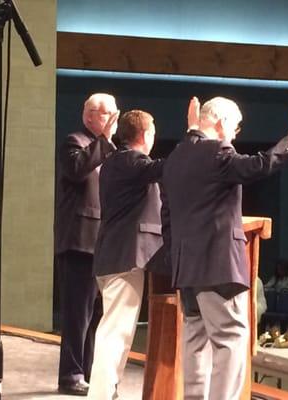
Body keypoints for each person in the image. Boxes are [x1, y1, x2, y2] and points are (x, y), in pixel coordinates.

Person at [161, 96, 288, 400]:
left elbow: (167, 214)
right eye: (236, 127)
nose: (235, 134)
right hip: (217, 267)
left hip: (185, 267)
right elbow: (261, 164)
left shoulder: (177, 155)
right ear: (222, 123)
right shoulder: (218, 152)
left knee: (195, 339)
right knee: (230, 338)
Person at [87, 110, 164, 399]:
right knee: (115, 333)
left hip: (113, 255)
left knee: (118, 331)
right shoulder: (132, 161)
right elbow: (165, 168)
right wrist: (196, 143)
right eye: (153, 130)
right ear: (144, 135)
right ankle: (102, 395)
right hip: (123, 257)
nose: (155, 136)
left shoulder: (116, 162)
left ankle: (108, 392)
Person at [54, 93, 119, 396]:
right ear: (90, 115)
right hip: (78, 241)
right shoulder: (75, 142)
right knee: (77, 314)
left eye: (114, 114)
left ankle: (91, 372)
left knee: (95, 316)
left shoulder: (107, 149)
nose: (113, 120)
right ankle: (71, 375)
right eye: (108, 114)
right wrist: (105, 140)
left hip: (102, 243)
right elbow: (77, 169)